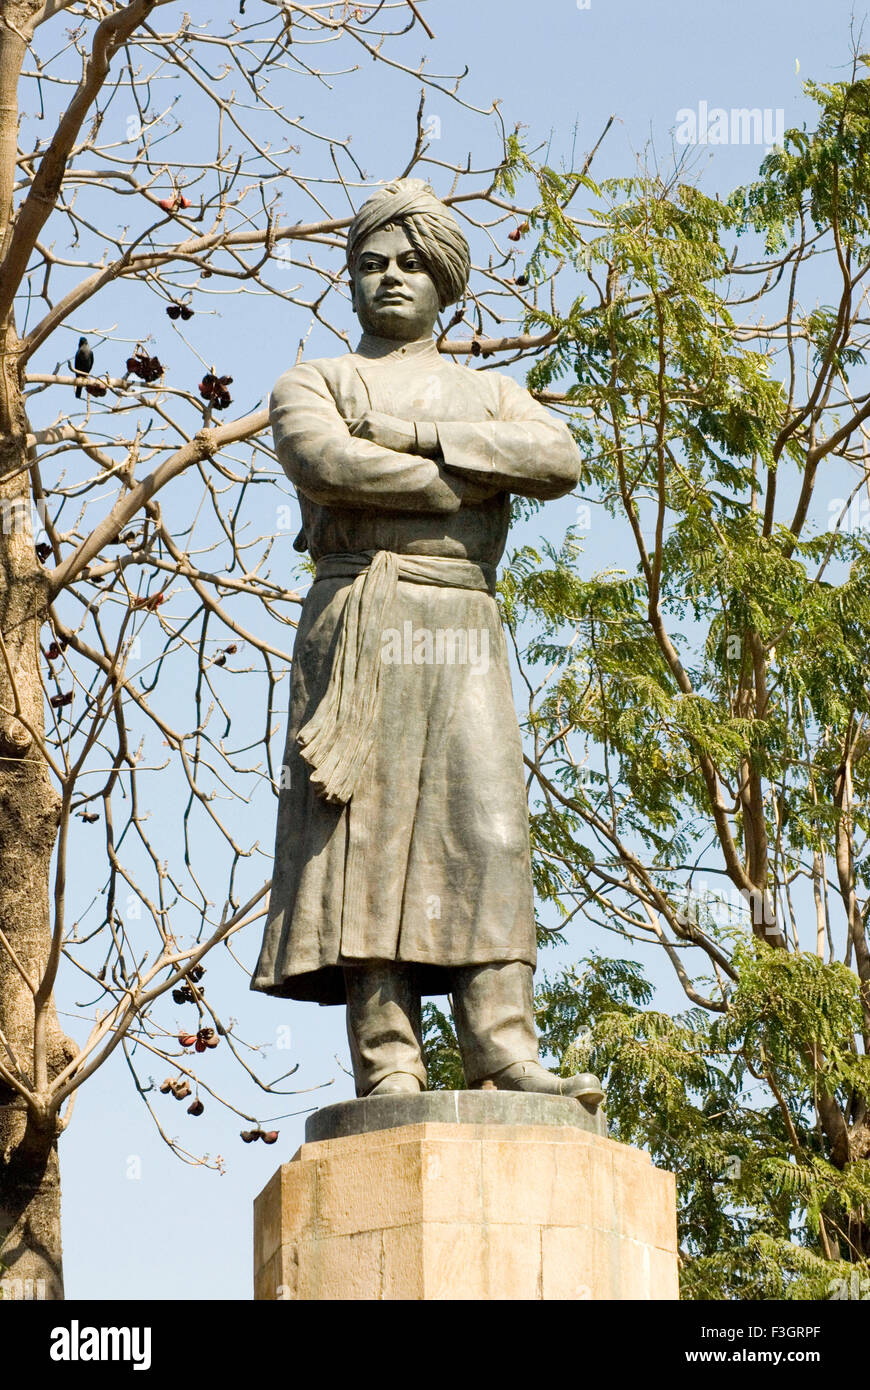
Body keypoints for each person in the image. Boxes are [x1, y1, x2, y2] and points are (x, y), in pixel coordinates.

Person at [251, 178, 604, 1106]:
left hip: (459, 623)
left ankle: (502, 1043)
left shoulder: (492, 389)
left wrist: (411, 434)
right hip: (357, 619)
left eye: (411, 264)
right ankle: (388, 1057)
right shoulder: (314, 380)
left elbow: (558, 459)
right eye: (371, 264)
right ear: (351, 281)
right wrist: (458, 480)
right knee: (361, 836)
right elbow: (326, 463)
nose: (391, 278)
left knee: (483, 826)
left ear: (446, 282)